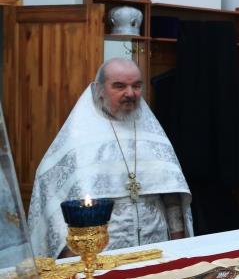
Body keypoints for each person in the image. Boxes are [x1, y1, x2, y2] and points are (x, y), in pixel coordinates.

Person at [28, 58, 192, 258]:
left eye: (136, 86)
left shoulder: (153, 134)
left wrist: (178, 244)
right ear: (99, 90)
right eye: (119, 86)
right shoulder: (79, 136)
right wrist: (72, 259)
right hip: (101, 254)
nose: (130, 93)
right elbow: (54, 201)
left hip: (156, 247)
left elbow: (171, 195)